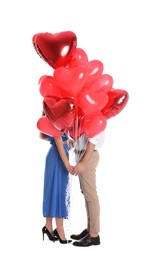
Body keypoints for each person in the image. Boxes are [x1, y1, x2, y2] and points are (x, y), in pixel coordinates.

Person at [70, 131, 105, 247]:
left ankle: (94, 235)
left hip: (87, 156)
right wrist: (74, 143)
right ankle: (90, 229)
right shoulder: (84, 116)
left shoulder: (94, 115)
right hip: (82, 154)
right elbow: (84, 136)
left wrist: (84, 161)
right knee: (86, 194)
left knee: (90, 195)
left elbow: (94, 138)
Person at [39, 128, 74, 244]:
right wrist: (67, 165)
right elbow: (57, 139)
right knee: (58, 191)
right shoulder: (55, 117)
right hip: (57, 158)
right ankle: (60, 229)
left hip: (57, 155)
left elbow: (46, 136)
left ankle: (48, 226)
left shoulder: (54, 117)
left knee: (52, 190)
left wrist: (66, 142)